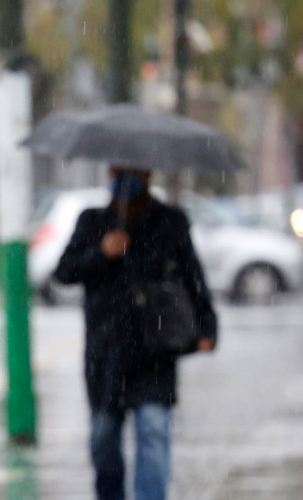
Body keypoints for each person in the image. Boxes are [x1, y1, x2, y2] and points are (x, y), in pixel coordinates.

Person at [53, 166, 217, 500]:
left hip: (154, 350)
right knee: (104, 441)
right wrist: (102, 253)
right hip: (105, 352)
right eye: (117, 170)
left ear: (147, 176)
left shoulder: (170, 222)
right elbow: (64, 272)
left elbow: (192, 276)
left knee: (154, 430)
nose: (123, 178)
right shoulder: (92, 221)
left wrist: (207, 324)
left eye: (132, 172)